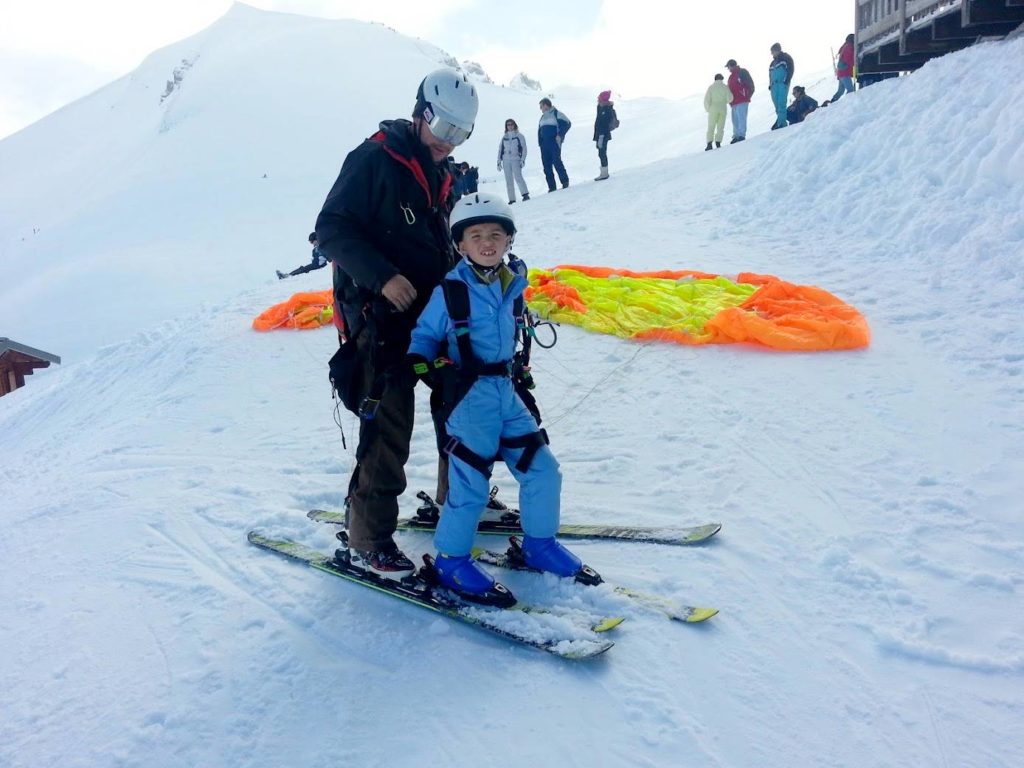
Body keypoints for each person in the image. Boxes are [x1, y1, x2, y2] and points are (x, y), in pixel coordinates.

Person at [314, 67, 479, 580]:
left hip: (432, 316)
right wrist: (383, 277)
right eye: (444, 129)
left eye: (460, 134)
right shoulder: (374, 159)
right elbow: (330, 230)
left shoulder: (446, 171)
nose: (448, 143)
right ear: (421, 113)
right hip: (380, 320)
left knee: (467, 402)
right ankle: (370, 536)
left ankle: (460, 502)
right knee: (389, 426)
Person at [405, 193, 594, 603]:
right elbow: (422, 337)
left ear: (509, 240)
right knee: (470, 483)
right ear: (461, 245)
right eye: (476, 236)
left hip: (508, 393)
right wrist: (425, 363)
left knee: (543, 470)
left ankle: (539, 545)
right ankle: (451, 562)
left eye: (496, 234)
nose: (487, 242)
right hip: (470, 399)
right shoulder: (451, 291)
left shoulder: (513, 284)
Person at [537, 97, 571, 192]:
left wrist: (560, 135)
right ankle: (552, 187)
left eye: (541, 106)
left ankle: (565, 181)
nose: (541, 109)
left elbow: (567, 123)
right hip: (544, 144)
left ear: (546, 105)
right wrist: (540, 143)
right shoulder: (542, 117)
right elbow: (540, 130)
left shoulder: (556, 113)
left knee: (556, 161)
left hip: (554, 142)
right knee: (546, 165)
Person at [497, 118, 530, 203]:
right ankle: (512, 199)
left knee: (518, 177)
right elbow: (500, 149)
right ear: (506, 126)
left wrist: (522, 159)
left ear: (514, 125)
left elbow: (524, 148)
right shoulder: (505, 137)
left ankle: (525, 194)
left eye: (511, 124)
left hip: (515, 159)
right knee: (508, 180)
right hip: (506, 160)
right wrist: (498, 161)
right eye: (508, 125)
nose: (510, 126)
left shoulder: (519, 136)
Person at [725, 59, 755, 143]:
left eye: (728, 67)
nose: (728, 69)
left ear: (731, 65)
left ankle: (741, 135)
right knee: (735, 119)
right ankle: (736, 135)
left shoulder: (742, 72)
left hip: (742, 99)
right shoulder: (731, 77)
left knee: (741, 117)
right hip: (734, 101)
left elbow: (750, 84)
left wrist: (747, 94)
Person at [593, 90, 618, 180]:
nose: (598, 98)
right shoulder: (600, 107)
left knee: (602, 153)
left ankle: (604, 173)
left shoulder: (606, 109)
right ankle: (604, 172)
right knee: (601, 152)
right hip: (600, 135)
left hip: (603, 135)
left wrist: (601, 136)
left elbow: (603, 124)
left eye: (599, 97)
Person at [769, 42, 794, 129]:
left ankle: (781, 124)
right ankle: (780, 120)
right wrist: (770, 84)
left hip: (782, 83)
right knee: (776, 104)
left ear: (777, 50)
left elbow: (791, 69)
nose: (772, 53)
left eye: (773, 51)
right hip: (774, 86)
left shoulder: (786, 58)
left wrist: (786, 80)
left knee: (781, 103)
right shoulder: (772, 63)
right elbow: (770, 74)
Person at [703, 74, 732, 151]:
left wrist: (708, 109)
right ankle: (718, 142)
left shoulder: (711, 87)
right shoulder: (725, 87)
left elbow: (706, 100)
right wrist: (724, 101)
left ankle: (709, 144)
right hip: (722, 108)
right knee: (720, 127)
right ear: (722, 79)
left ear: (715, 79)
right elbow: (730, 98)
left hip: (713, 109)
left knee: (711, 126)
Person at [830, 34, 856, 104]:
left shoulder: (845, 46)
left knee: (840, 91)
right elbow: (848, 59)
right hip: (845, 72)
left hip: (841, 73)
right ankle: (847, 104)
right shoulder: (849, 46)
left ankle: (832, 102)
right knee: (850, 90)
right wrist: (855, 65)